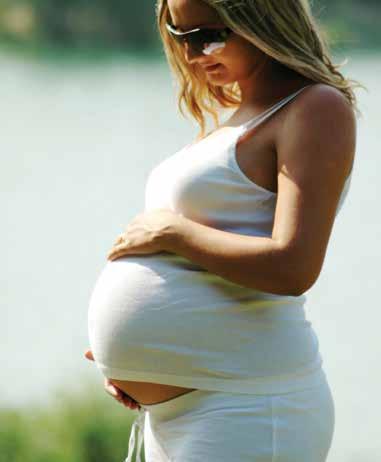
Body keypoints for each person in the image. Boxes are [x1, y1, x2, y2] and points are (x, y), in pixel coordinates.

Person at [85, 0, 362, 460]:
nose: (193, 54)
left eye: (208, 35)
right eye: (180, 36)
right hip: (179, 414)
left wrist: (174, 233)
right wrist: (134, 360)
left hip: (249, 406)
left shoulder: (315, 107)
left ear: (260, 18)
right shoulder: (238, 119)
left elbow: (294, 266)